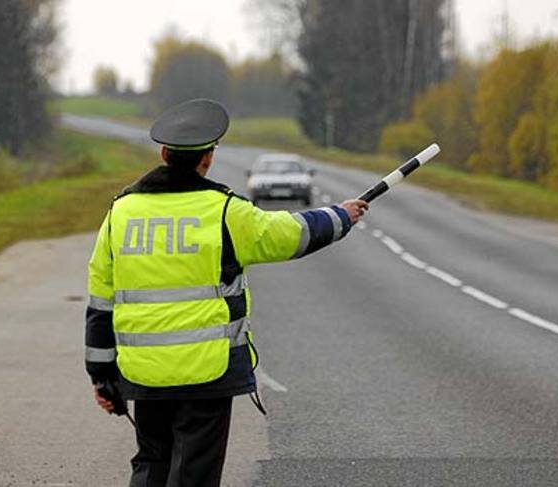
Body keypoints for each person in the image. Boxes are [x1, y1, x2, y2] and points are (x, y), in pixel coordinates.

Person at [84, 98, 368, 487]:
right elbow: (289, 234)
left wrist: (102, 378)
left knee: (151, 462)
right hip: (207, 371)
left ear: (164, 154)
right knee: (194, 472)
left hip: (144, 372)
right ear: (208, 159)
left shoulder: (122, 212)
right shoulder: (224, 211)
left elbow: (100, 302)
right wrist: (340, 216)